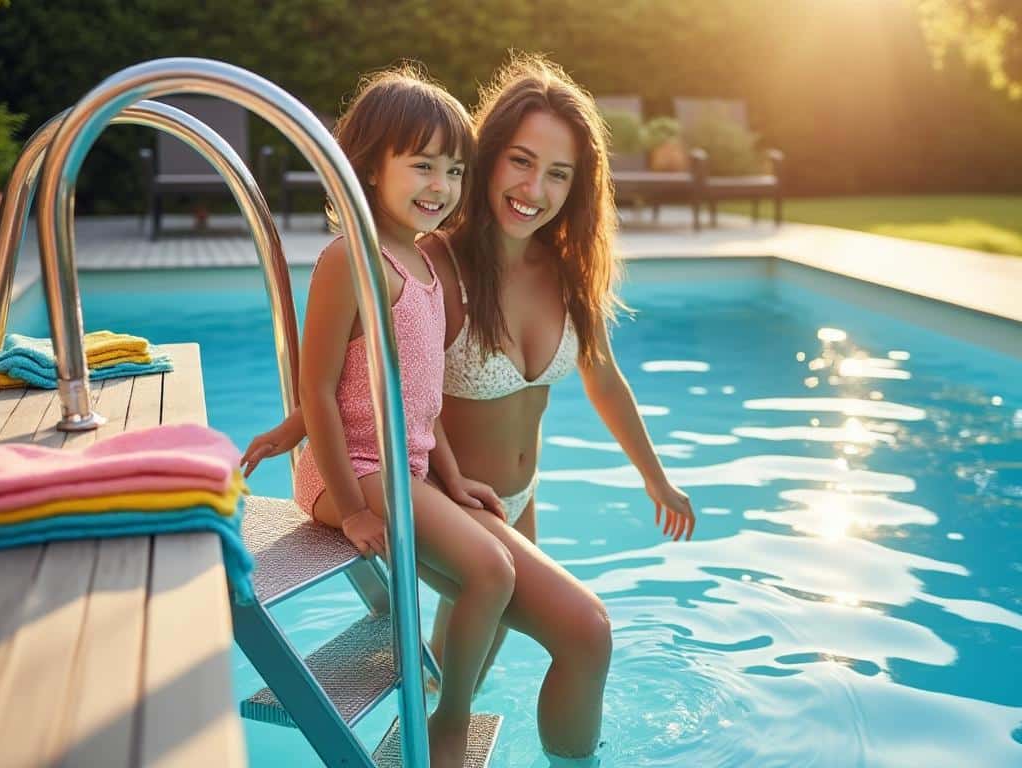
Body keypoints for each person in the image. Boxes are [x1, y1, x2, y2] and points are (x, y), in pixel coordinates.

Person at [243, 54, 696, 760]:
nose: (535, 189)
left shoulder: (559, 269)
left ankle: (442, 735)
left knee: (482, 661)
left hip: (498, 495)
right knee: (570, 634)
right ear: (489, 160)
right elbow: (352, 381)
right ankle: (457, 730)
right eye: (520, 161)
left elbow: (597, 377)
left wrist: (655, 477)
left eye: (559, 173)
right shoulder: (429, 263)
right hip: (414, 488)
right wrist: (306, 440)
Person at [289, 63, 511, 768]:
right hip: (350, 472)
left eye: (454, 170)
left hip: (401, 468)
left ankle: (443, 701)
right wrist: (353, 509)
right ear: (367, 167)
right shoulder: (351, 262)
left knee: (491, 568)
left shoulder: (423, 265)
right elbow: (316, 390)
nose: (441, 185)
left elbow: (421, 400)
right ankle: (449, 719)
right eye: (422, 165)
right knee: (491, 572)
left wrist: (455, 475)